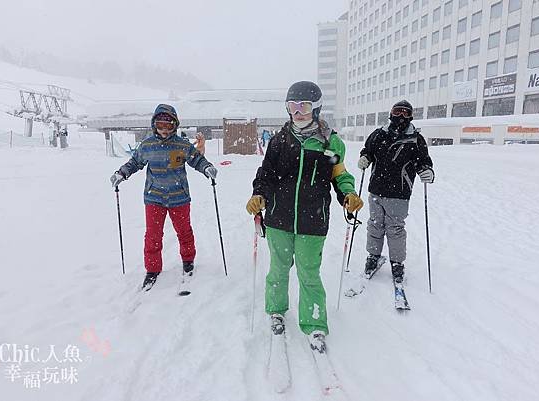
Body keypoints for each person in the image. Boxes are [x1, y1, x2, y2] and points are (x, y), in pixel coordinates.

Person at [246, 81, 363, 353]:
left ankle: (314, 324)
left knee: (309, 273)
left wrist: (348, 194)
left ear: (316, 108)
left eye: (304, 106)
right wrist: (259, 194)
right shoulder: (279, 141)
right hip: (278, 218)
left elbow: (339, 174)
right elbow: (266, 174)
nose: (298, 112)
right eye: (293, 106)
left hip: (313, 221)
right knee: (278, 269)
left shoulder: (329, 142)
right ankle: (276, 310)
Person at [110, 104, 218, 291]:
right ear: (154, 125)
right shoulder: (147, 145)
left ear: (175, 125)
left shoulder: (182, 145)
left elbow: (197, 159)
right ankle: (152, 270)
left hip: (179, 198)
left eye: (169, 126)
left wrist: (207, 168)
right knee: (153, 236)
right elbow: (135, 162)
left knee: (184, 232)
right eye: (161, 125)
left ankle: (188, 261)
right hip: (154, 198)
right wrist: (122, 173)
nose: (165, 130)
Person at [357, 100, 434, 284]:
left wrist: (427, 171)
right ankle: (373, 256)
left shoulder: (415, 139)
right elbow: (368, 150)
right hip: (376, 190)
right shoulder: (378, 134)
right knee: (375, 224)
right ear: (391, 114)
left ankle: (397, 263)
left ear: (411, 117)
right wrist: (365, 158)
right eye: (398, 112)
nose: (401, 117)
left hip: (399, 192)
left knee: (395, 229)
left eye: (406, 113)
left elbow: (424, 161)